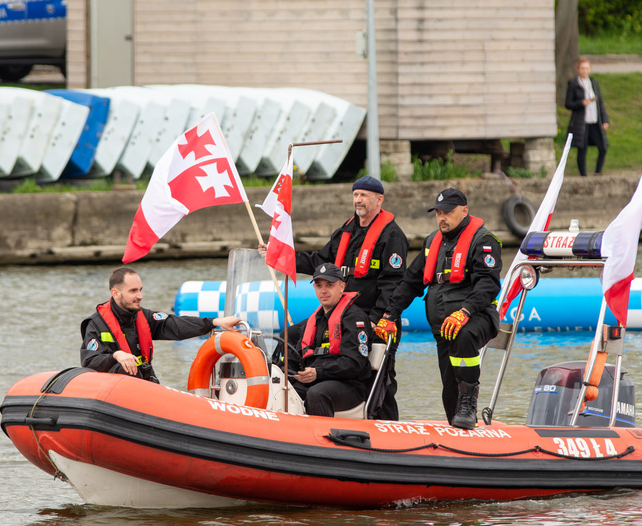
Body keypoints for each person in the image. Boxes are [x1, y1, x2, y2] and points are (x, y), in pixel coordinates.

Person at [261, 175, 408, 420]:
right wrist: (280, 255)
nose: (358, 200)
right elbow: (320, 262)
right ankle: (292, 388)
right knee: (290, 336)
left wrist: (375, 318)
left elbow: (393, 283)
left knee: (380, 377)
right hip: (338, 314)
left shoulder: (391, 235)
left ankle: (387, 426)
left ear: (379, 199)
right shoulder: (347, 230)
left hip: (375, 318)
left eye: (363, 195)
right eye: (355, 194)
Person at [375, 188, 502, 429]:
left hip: (477, 316)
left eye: (448, 212)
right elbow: (411, 281)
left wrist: (464, 312)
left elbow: (488, 285)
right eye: (438, 213)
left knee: (464, 337)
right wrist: (390, 314)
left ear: (464, 211)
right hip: (443, 325)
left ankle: (469, 403)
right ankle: (457, 431)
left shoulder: (483, 241)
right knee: (448, 388)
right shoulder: (432, 241)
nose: (442, 217)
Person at [81, 266, 241, 382]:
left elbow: (176, 324)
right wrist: (116, 355)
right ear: (115, 293)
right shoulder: (96, 324)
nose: (140, 296)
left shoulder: (144, 317)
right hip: (113, 388)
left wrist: (215, 322)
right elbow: (89, 362)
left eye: (140, 290)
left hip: (142, 382)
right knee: (125, 368)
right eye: (133, 291)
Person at [286, 263, 374, 417]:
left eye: (329, 285)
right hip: (316, 380)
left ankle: (321, 438)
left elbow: (355, 363)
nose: (324, 290)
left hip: (349, 385)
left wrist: (318, 372)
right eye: (319, 285)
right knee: (283, 390)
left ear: (341, 287)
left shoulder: (355, 319)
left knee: (317, 394)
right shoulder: (312, 321)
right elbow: (297, 355)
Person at [565, 57, 610, 176]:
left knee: (603, 147)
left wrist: (605, 120)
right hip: (582, 122)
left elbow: (600, 103)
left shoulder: (594, 83)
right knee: (582, 148)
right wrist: (581, 103)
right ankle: (583, 175)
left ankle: (598, 172)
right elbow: (568, 103)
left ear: (590, 69)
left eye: (586, 68)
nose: (584, 71)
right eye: (582, 68)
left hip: (595, 120)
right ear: (578, 70)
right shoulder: (574, 84)